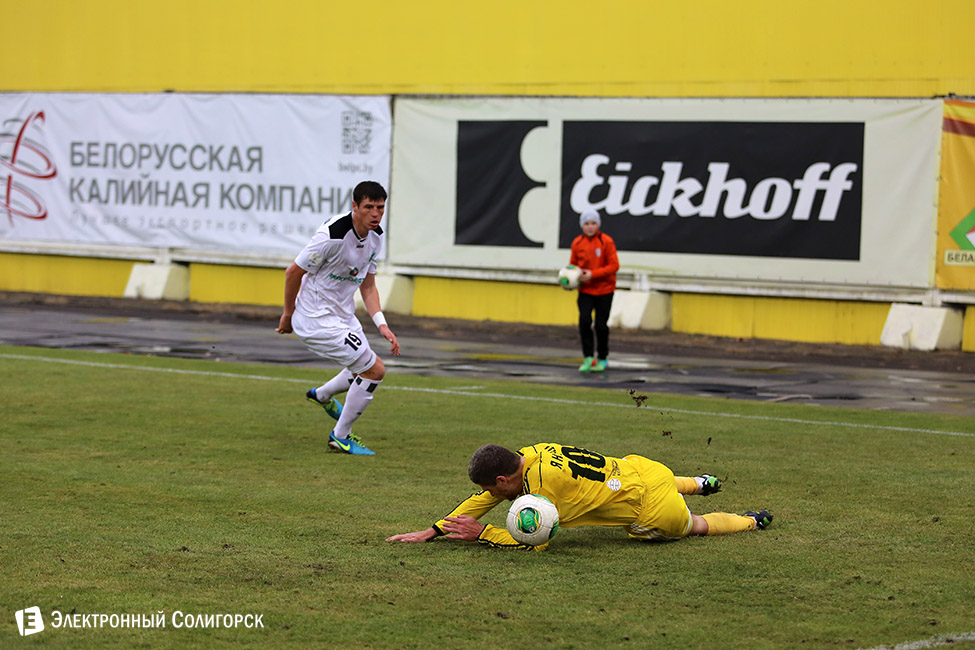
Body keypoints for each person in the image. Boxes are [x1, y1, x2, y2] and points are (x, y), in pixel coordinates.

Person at [386, 443, 772, 549]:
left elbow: (535, 541)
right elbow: (483, 501)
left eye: (491, 488)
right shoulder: (530, 454)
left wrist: (483, 533)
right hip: (646, 469)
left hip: (652, 508)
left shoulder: (542, 491)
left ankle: (751, 521)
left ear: (503, 478)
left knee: (694, 526)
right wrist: (434, 530)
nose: (488, 496)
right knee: (656, 477)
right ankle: (700, 483)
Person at [276, 180, 400, 456]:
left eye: (380, 207)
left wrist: (382, 324)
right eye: (369, 207)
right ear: (355, 206)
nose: (376, 214)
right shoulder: (331, 236)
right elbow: (293, 272)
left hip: (343, 315)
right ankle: (340, 436)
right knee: (374, 370)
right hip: (315, 318)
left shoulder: (376, 236)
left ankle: (321, 395)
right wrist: (288, 315)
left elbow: (368, 286)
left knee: (361, 368)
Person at [570, 210, 619, 373]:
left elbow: (614, 266)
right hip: (585, 290)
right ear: (582, 226)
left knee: (600, 325)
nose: (590, 227)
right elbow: (573, 266)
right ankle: (588, 357)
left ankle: (603, 357)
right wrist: (570, 279)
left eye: (593, 223)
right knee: (584, 321)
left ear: (598, 225)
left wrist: (593, 274)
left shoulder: (606, 241)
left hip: (605, 290)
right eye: (586, 224)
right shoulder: (577, 243)